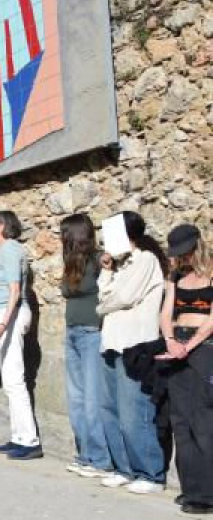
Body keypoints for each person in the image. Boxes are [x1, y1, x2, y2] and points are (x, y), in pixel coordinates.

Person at [96, 210, 167, 493]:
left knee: (135, 412)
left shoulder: (146, 260)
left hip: (134, 345)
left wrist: (104, 305)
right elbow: (103, 294)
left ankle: (151, 474)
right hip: (111, 341)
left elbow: (122, 297)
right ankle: (124, 468)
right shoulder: (119, 266)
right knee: (110, 409)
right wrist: (107, 270)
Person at [0, 210, 41, 460]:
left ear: (3, 225)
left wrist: (3, 324)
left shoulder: (11, 249)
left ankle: (30, 441)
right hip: (3, 314)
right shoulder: (2, 252)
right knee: (12, 380)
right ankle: (19, 437)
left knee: (15, 380)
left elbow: (14, 289)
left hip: (9, 315)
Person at [159, 224, 213, 515]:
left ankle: (207, 493)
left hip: (205, 348)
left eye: (185, 252)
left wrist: (188, 345)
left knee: (203, 419)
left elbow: (211, 320)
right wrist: (170, 340)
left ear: (196, 246)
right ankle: (190, 488)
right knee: (180, 420)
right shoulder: (176, 276)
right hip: (176, 345)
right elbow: (166, 312)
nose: (181, 258)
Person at [58, 213, 113, 478]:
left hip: (93, 332)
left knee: (92, 399)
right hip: (72, 332)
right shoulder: (71, 262)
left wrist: (108, 262)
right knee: (76, 399)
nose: (61, 238)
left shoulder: (99, 259)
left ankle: (101, 459)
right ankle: (86, 454)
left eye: (64, 233)